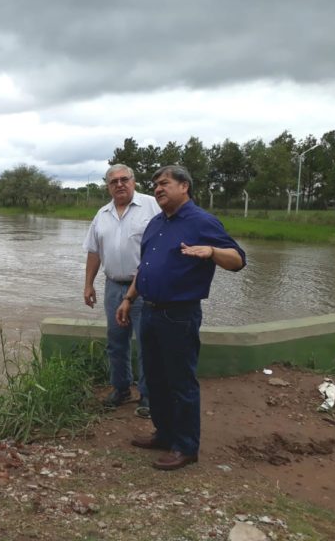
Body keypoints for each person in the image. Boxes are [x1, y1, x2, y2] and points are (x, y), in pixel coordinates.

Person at [116, 165, 246, 471]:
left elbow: (238, 259)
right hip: (148, 310)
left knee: (180, 381)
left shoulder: (202, 221)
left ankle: (186, 447)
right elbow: (145, 267)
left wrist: (212, 251)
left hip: (178, 314)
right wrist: (128, 298)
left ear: (184, 186)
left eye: (164, 183)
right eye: (156, 185)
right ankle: (165, 434)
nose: (158, 189)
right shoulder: (156, 223)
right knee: (156, 379)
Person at [83, 164, 160, 418]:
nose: (119, 184)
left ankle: (148, 396)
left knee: (148, 343)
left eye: (124, 179)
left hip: (146, 289)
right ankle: (121, 389)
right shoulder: (102, 214)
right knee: (116, 343)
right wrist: (88, 284)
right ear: (107, 186)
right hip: (113, 287)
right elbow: (94, 251)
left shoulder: (152, 207)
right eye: (113, 181)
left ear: (133, 181)